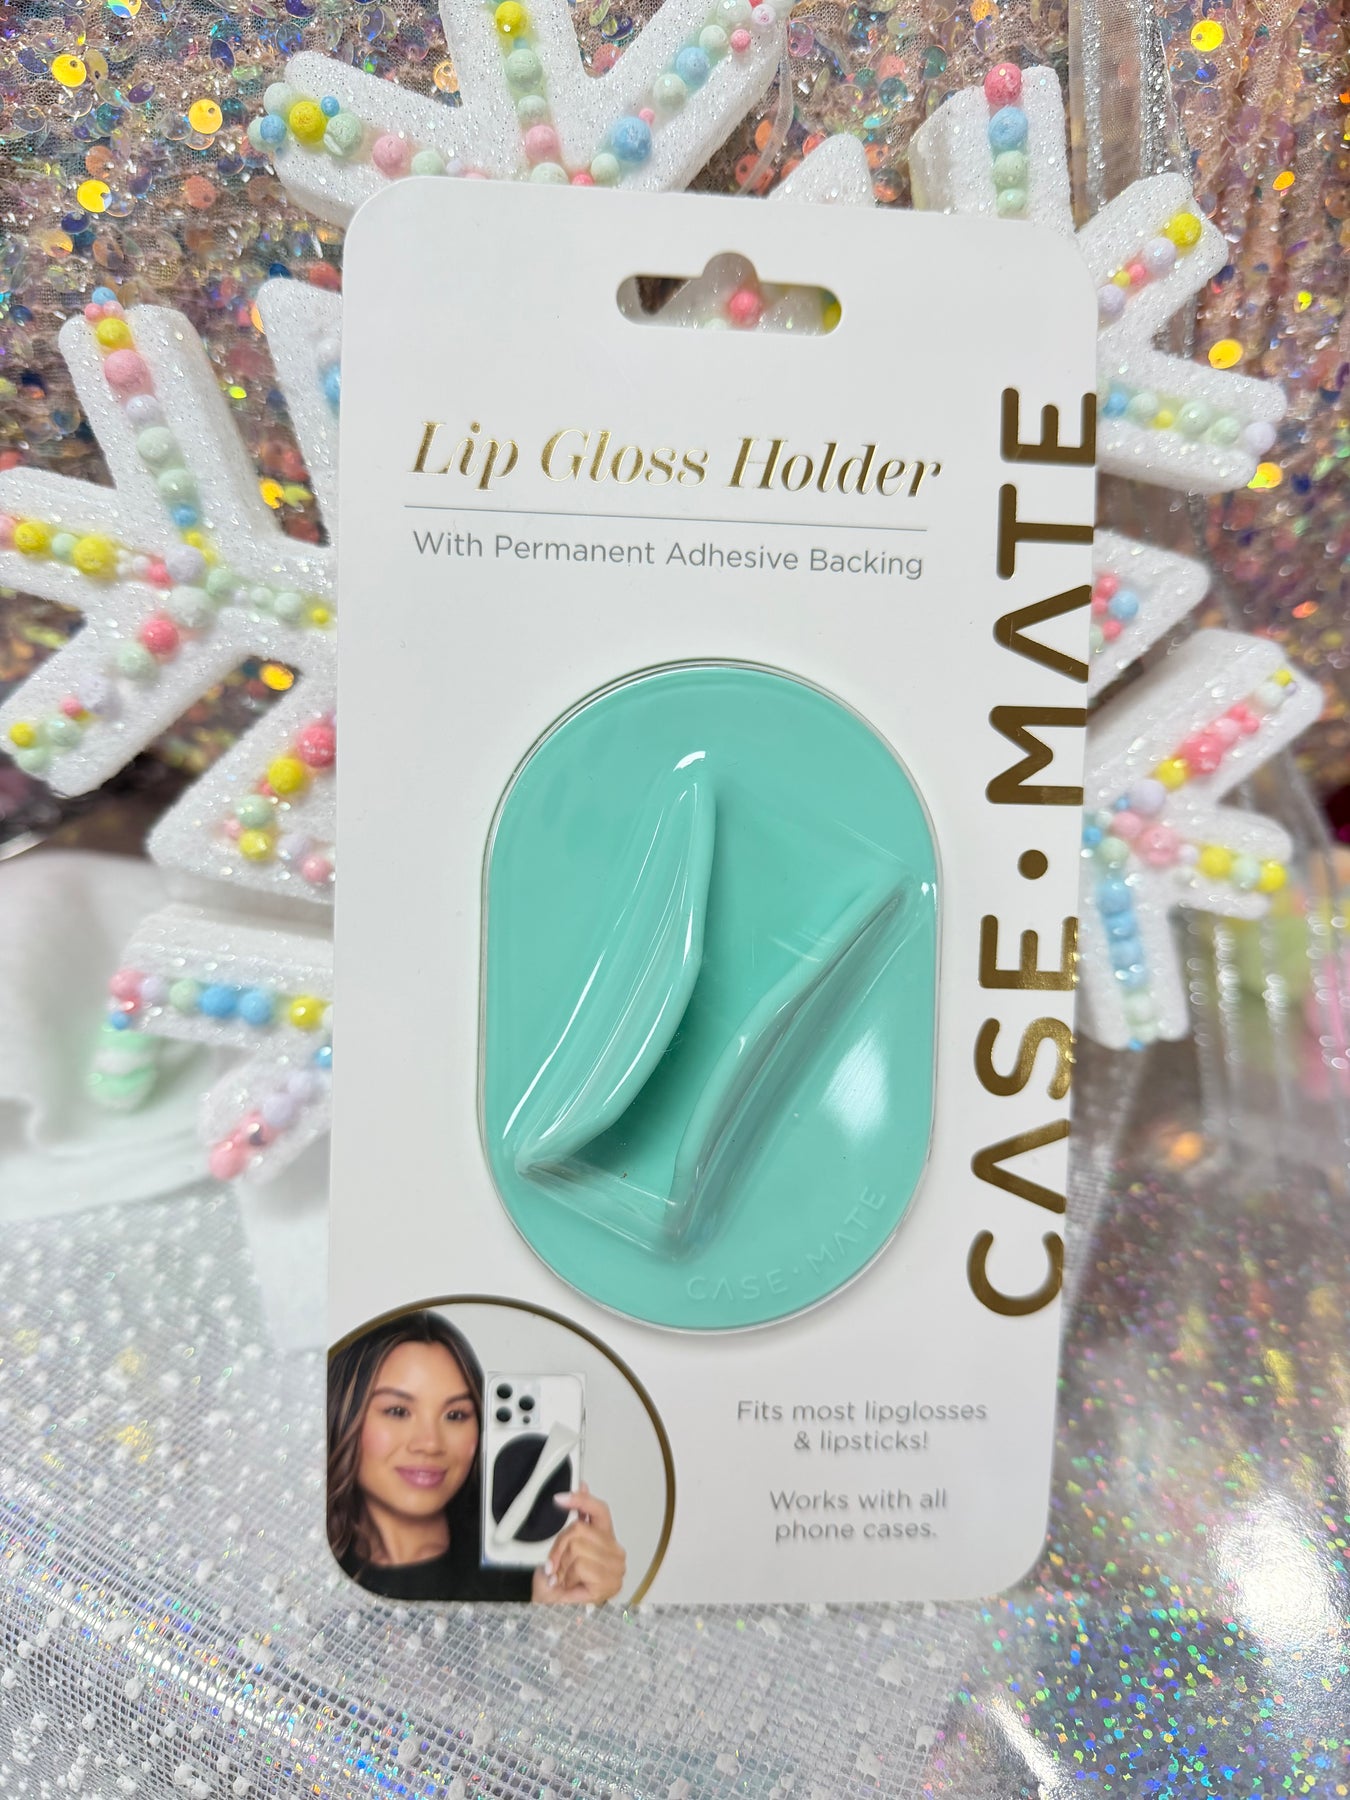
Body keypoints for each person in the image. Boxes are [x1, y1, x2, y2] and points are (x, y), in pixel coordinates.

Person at [327, 1309, 626, 1603]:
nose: (430, 1443)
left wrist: (559, 1617)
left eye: (455, 1415)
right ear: (343, 1415)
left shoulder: (526, 1577)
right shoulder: (314, 1571)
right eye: (398, 1411)